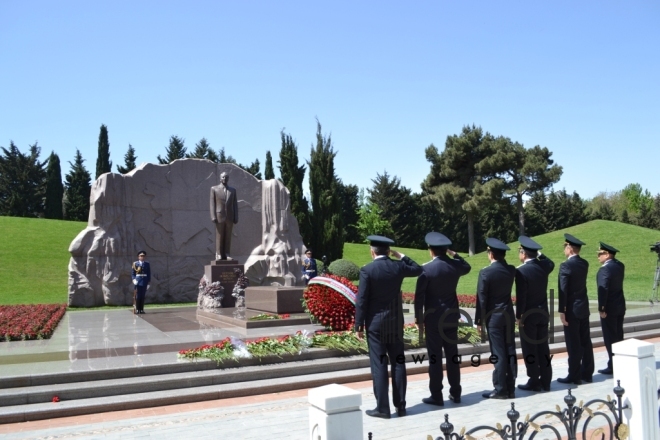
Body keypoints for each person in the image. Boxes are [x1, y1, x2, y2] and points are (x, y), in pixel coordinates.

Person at [354, 235, 423, 419]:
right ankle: (401, 406)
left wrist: (358, 325)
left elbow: (362, 300)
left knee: (379, 365)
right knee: (398, 364)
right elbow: (418, 269)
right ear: (388, 251)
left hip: (376, 324)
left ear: (372, 251)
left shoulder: (367, 270)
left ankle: (382, 408)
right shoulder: (397, 266)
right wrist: (401, 256)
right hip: (395, 322)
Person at [415, 232, 471, 406]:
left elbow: (419, 298)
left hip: (433, 320)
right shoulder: (454, 266)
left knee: (435, 358)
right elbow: (467, 267)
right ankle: (456, 393)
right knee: (452, 356)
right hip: (451, 317)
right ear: (446, 250)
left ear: (431, 250)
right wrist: (455, 254)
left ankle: (436, 395)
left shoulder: (426, 269)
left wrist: (418, 319)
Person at [475, 238, 517, 400]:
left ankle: (500, 389)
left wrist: (479, 320)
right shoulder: (511, 270)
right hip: (508, 315)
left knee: (498, 353)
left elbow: (482, 299)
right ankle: (511, 386)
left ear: (491, 254)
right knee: (510, 350)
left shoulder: (486, 272)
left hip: (494, 317)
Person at [515, 236, 555, 392]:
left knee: (529, 348)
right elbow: (550, 263)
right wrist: (539, 254)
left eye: (520, 251)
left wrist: (519, 316)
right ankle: (546, 380)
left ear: (523, 254)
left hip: (529, 315)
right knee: (543, 347)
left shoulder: (521, 271)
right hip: (543, 313)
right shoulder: (543, 267)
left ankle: (534, 379)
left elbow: (521, 296)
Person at [557, 233, 594, 385]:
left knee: (573, 344)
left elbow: (563, 289)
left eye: (565, 247)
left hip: (571, 310)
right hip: (583, 308)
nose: (564, 250)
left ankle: (574, 375)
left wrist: (562, 310)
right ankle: (587, 373)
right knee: (585, 342)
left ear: (570, 249)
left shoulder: (566, 265)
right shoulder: (584, 263)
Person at [596, 242, 626, 375]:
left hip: (609, 309)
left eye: (600, 254)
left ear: (607, 255)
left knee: (610, 337)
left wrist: (602, 308)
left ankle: (613, 364)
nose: (598, 257)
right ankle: (620, 361)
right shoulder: (619, 266)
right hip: (619, 306)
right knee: (618, 335)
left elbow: (603, 290)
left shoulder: (605, 269)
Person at [210, 171, 239, 260]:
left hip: (230, 217)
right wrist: (213, 216)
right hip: (219, 216)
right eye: (223, 177)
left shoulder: (233, 190)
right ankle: (218, 254)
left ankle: (227, 253)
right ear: (220, 178)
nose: (224, 179)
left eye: (226, 177)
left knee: (228, 236)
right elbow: (212, 203)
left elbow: (235, 204)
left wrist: (236, 216)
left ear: (228, 179)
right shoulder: (214, 189)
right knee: (219, 236)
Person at [132, 250, 151, 314]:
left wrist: (148, 282)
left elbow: (148, 273)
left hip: (144, 281)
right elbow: (133, 273)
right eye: (141, 256)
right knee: (138, 296)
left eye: (143, 256)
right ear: (138, 257)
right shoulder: (135, 264)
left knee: (143, 296)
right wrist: (134, 279)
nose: (142, 257)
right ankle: (137, 309)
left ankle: (141, 309)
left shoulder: (147, 264)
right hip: (138, 281)